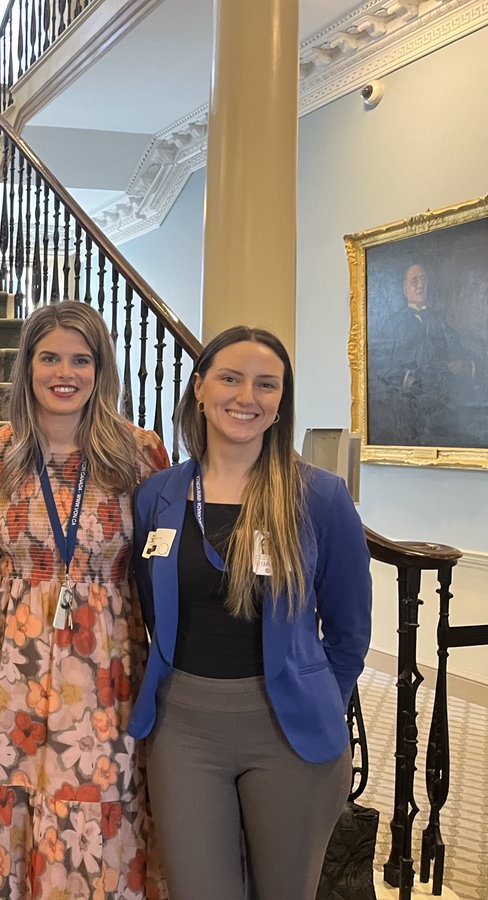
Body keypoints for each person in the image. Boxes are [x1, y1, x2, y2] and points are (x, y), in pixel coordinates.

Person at [129, 326, 373, 899]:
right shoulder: (157, 496)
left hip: (287, 732)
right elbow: (149, 604)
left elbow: (349, 627)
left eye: (267, 384)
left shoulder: (319, 496)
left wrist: (318, 697)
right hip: (183, 728)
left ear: (281, 400)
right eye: (231, 378)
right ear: (199, 389)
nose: (247, 397)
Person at [0, 300, 169, 899]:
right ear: (28, 366)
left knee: (104, 792)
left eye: (80, 358)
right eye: (49, 357)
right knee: (12, 785)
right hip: (14, 654)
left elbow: (159, 565)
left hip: (107, 657)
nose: (63, 372)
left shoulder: (139, 452)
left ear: (101, 370)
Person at [372, 262, 479, 447]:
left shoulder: (440, 322)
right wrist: (404, 379)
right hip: (406, 405)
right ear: (406, 290)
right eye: (414, 281)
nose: (420, 285)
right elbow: (378, 365)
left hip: (442, 405)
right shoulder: (391, 324)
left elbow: (459, 351)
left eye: (423, 280)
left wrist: (468, 366)